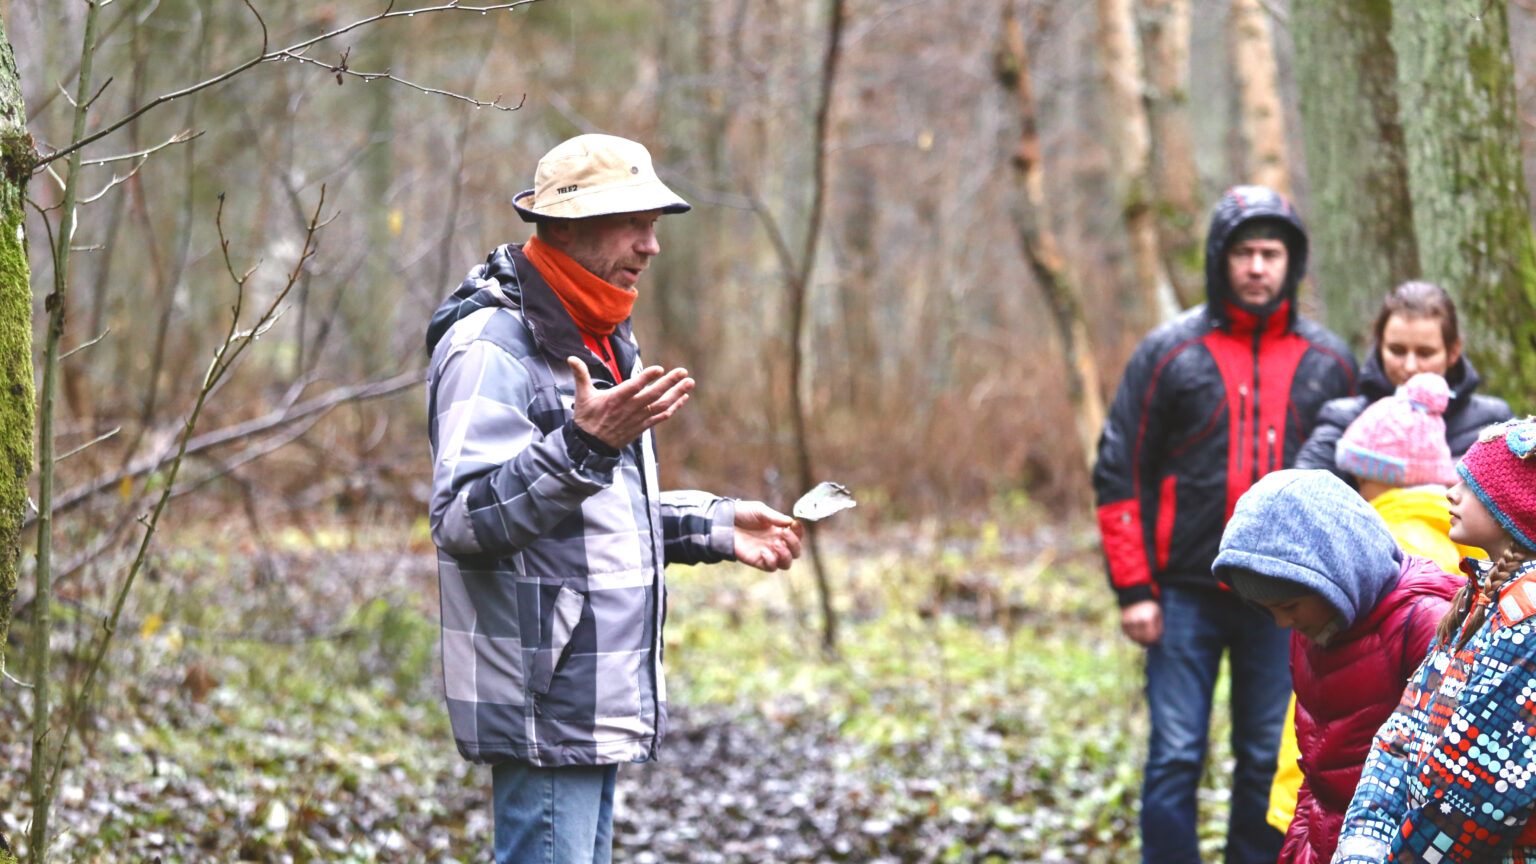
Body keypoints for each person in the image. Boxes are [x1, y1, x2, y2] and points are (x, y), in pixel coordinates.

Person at [423, 133, 805, 864]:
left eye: (653, 224)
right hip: (545, 698)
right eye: (633, 222)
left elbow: (592, 513)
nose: (651, 246)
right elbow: (463, 519)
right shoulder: (491, 344)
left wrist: (717, 524)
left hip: (585, 693)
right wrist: (585, 444)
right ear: (566, 226)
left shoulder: (597, 331)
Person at [1093, 185, 1358, 863]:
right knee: (1176, 752)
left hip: (1287, 599)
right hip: (1181, 593)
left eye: (1271, 253)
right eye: (1244, 252)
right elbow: (1120, 470)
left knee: (1268, 755)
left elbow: (1353, 487)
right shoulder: (1169, 353)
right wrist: (1134, 590)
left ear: (1291, 263)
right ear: (1220, 258)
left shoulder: (1331, 363)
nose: (1257, 267)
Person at [1214, 469, 1460, 864]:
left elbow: (1451, 789)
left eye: (1288, 605)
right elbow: (1316, 772)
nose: (1281, 622)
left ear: (1337, 573)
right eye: (1267, 609)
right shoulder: (1315, 628)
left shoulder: (1424, 625)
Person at [1334, 417, 1536, 863]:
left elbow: (1475, 790)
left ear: (1515, 505)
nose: (1451, 493)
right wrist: (1365, 845)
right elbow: (1401, 730)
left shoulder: (1528, 621)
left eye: (1473, 486)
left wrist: (1400, 857)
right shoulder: (1477, 597)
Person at [1296, 280, 1511, 475]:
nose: (1410, 367)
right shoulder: (1343, 420)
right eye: (1397, 351)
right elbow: (1301, 491)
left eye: (1425, 353)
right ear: (1379, 346)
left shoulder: (1492, 423)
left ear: (1453, 352)